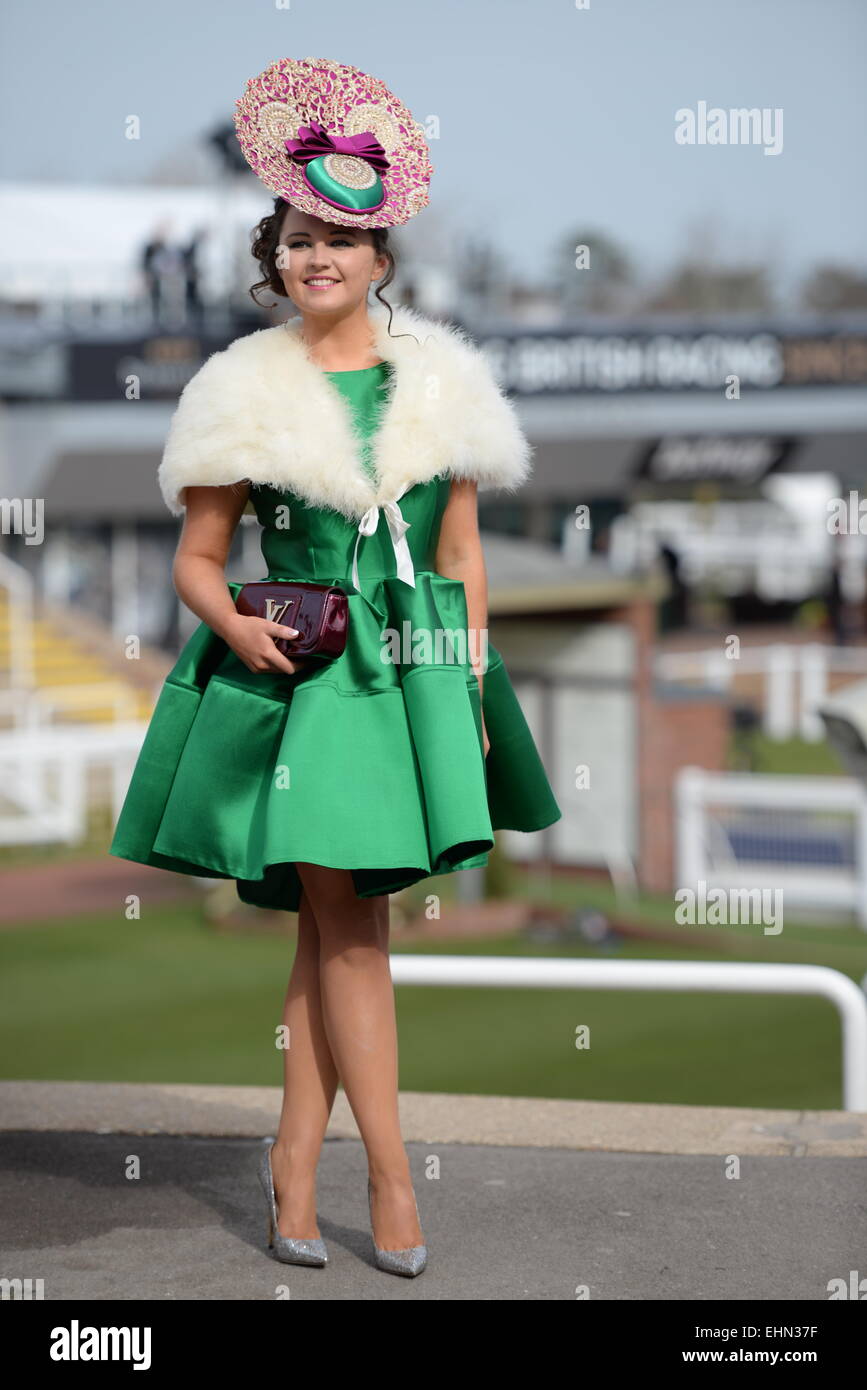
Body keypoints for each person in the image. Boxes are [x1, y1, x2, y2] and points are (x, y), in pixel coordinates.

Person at [109, 56, 561, 1280]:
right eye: (299, 239)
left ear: (380, 260)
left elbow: (459, 552)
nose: (319, 258)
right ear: (277, 258)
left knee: (334, 928)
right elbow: (198, 562)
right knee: (355, 927)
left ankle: (294, 1162)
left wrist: (466, 690)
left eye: (342, 240)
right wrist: (239, 627)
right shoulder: (238, 393)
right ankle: (393, 1180)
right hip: (299, 677)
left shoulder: (442, 384)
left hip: (409, 673)